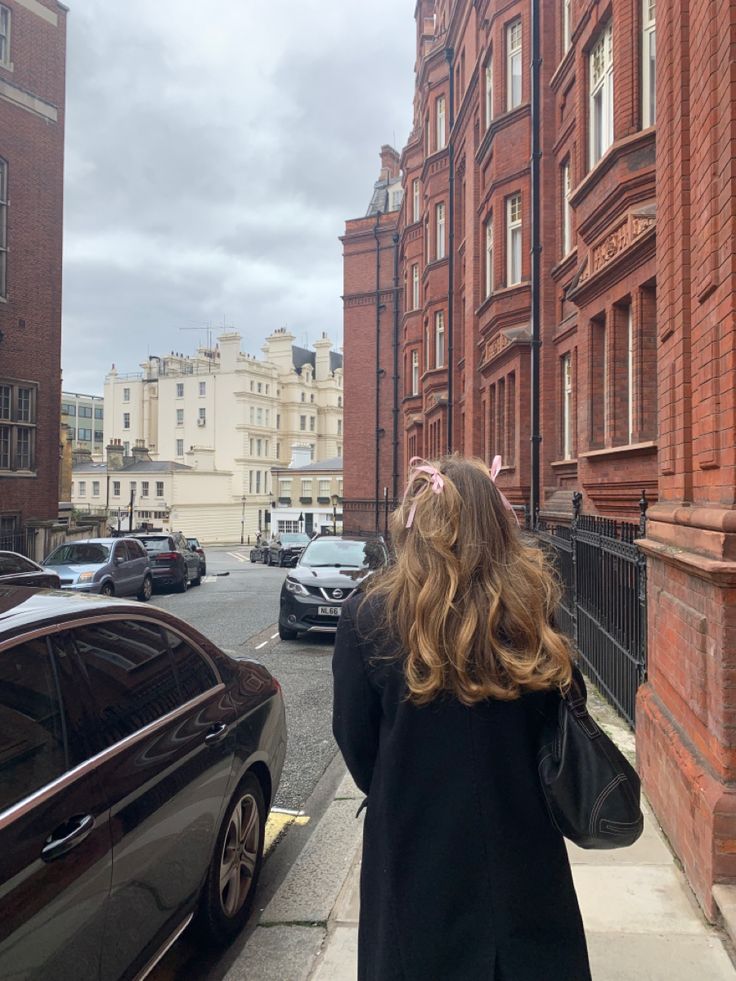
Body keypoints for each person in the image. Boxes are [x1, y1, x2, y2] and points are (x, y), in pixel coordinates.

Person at [332, 455, 592, 981]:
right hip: (522, 850)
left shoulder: (369, 614)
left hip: (413, 847)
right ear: (496, 524)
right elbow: (564, 720)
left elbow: (356, 743)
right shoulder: (531, 607)